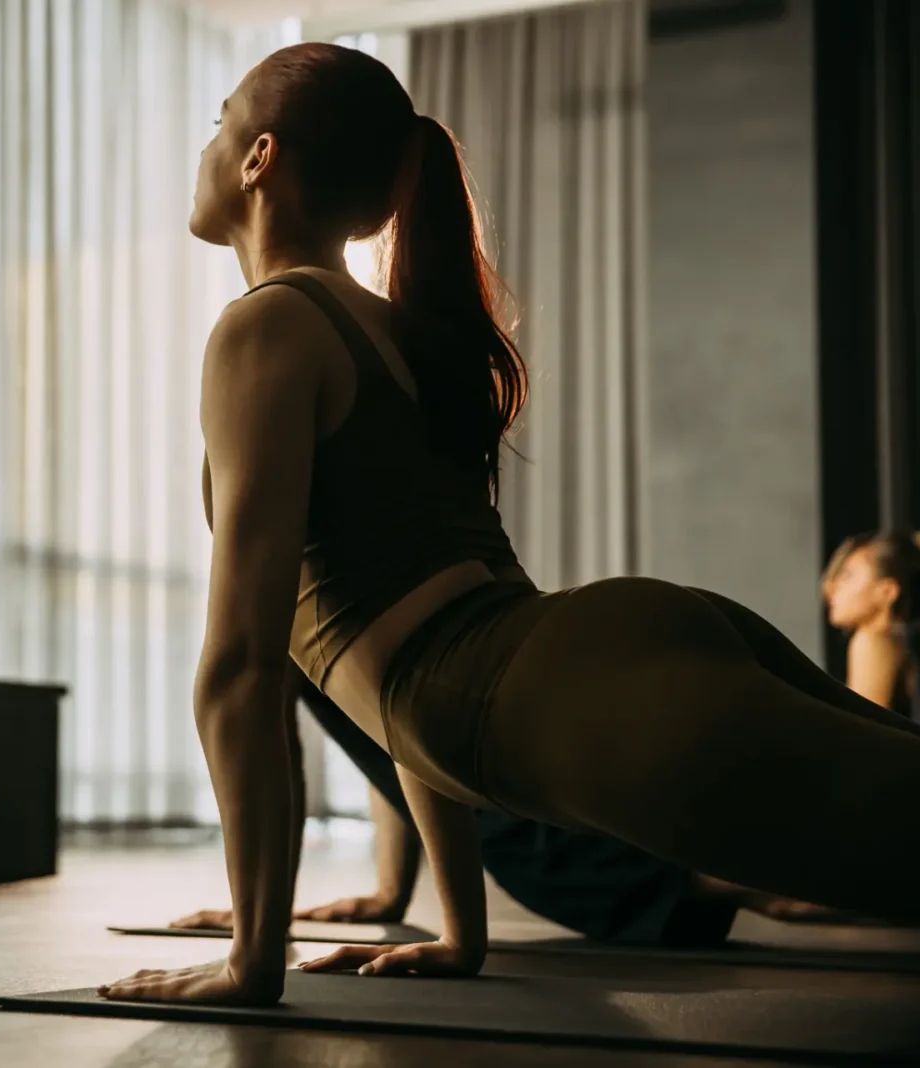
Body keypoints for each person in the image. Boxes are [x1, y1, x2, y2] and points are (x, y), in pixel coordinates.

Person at [96, 42, 920, 1007]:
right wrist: (461, 933)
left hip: (561, 692)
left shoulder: (266, 328)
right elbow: (415, 664)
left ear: (259, 158)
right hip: (586, 655)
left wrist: (252, 961)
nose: (204, 149)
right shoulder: (388, 328)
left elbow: (241, 668)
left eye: (218, 122)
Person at [171, 668, 841, 948]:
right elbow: (381, 747)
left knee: (772, 888)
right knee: (765, 881)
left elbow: (275, 756)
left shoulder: (303, 598)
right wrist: (387, 893)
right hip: (515, 776)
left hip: (509, 806)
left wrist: (257, 918)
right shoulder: (348, 592)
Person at [822, 530, 920, 716]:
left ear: (887, 592)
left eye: (848, 576)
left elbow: (863, 730)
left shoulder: (871, 641)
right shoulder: (899, 642)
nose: (832, 587)